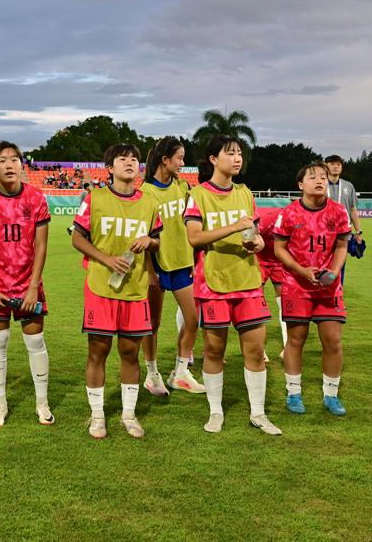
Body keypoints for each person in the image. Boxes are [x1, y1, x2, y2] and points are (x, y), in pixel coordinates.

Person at [185, 135, 281, 436]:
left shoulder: (245, 193)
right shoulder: (199, 195)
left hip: (248, 281)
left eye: (239, 153)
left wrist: (259, 242)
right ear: (213, 159)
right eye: (230, 153)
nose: (237, 158)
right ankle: (216, 412)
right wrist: (235, 227)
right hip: (213, 283)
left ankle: (258, 413)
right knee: (214, 350)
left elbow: (252, 232)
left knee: (255, 350)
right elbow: (194, 238)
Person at [72, 143, 161, 439]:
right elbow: (77, 239)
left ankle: (128, 414)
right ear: (109, 168)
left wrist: (149, 241)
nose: (130, 162)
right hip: (101, 286)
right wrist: (106, 258)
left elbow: (157, 240)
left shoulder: (149, 203)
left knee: (129, 351)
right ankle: (97, 416)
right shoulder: (95, 198)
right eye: (122, 158)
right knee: (98, 350)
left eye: (134, 159)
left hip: (135, 289)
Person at [0, 141, 53, 427]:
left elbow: (41, 246)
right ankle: (0, 404)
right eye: (2, 160)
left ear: (22, 164)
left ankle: (42, 402)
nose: (9, 164)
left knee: (35, 341)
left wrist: (33, 287)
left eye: (14, 159)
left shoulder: (37, 198)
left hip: (28, 282)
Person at [273, 162, 351, 417]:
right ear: (300, 184)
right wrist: (301, 270)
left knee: (333, 341)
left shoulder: (339, 212)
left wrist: (334, 272)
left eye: (323, 176)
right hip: (297, 285)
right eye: (312, 176)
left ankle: (331, 395)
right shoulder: (289, 213)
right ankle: (293, 393)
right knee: (296, 340)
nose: (319, 180)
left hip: (328, 288)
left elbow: (341, 245)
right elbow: (279, 248)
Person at [140, 136, 205, 396]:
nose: (183, 162)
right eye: (179, 157)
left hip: (181, 264)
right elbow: (143, 234)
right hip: (156, 266)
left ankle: (180, 373)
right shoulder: (145, 192)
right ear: (164, 160)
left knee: (192, 319)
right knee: (152, 324)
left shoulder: (181, 186)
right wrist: (149, 271)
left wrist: (192, 258)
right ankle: (152, 374)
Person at [324, 155, 363, 266]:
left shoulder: (348, 186)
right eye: (332, 164)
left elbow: (352, 210)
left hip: (343, 231)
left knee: (340, 265)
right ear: (325, 166)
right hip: (323, 231)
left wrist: (358, 232)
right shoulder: (320, 184)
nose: (335, 166)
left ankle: (338, 283)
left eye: (338, 164)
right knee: (321, 264)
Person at [255, 210, 285, 358]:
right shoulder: (267, 220)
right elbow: (249, 236)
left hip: (282, 261)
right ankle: (259, 349)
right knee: (256, 302)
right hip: (259, 260)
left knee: (286, 303)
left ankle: (288, 347)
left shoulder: (302, 223)